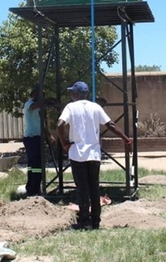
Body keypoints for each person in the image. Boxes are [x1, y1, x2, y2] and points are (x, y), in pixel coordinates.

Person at [56, 81, 132, 230]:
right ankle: (95, 221)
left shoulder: (71, 107)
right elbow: (110, 124)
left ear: (77, 94)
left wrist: (64, 143)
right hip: (94, 154)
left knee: (82, 188)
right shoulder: (96, 107)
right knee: (94, 187)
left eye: (72, 92)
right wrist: (126, 139)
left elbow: (59, 125)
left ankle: (84, 221)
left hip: (77, 154)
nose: (71, 95)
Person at [23, 85, 54, 197]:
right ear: (34, 94)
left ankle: (34, 187)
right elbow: (34, 106)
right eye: (39, 94)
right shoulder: (29, 104)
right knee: (35, 165)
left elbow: (42, 123)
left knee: (37, 164)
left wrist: (49, 135)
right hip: (31, 138)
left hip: (38, 137)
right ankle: (32, 189)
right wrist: (46, 101)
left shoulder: (39, 107)